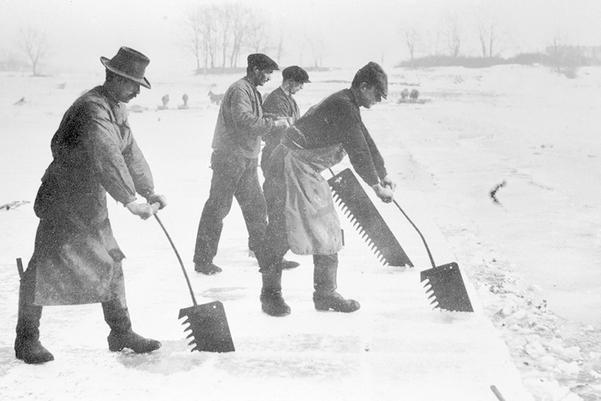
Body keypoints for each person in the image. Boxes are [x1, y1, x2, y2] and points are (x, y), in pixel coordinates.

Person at [14, 47, 167, 364]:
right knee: (42, 269)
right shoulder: (91, 109)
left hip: (90, 201)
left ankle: (120, 332)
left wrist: (148, 190)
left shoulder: (116, 107)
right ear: (113, 77)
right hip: (63, 199)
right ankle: (26, 339)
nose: (138, 90)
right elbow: (106, 154)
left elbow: (129, 152)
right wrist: (129, 200)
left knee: (111, 260)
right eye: (132, 83)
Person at [257, 62, 395, 317]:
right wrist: (376, 186)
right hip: (287, 168)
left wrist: (383, 174)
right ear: (363, 87)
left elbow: (366, 142)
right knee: (281, 230)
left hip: (306, 171)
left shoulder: (348, 104)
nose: (378, 100)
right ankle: (270, 296)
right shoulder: (343, 105)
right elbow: (357, 150)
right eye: (377, 94)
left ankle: (325, 294)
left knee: (328, 230)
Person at [192, 53, 297, 275]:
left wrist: (271, 120)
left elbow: (253, 117)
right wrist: (273, 123)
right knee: (218, 208)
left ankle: (268, 259)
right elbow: (244, 120)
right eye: (268, 72)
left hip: (247, 159)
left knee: (257, 209)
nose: (269, 78)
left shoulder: (252, 91)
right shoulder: (240, 89)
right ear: (256, 70)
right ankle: (202, 261)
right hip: (230, 159)